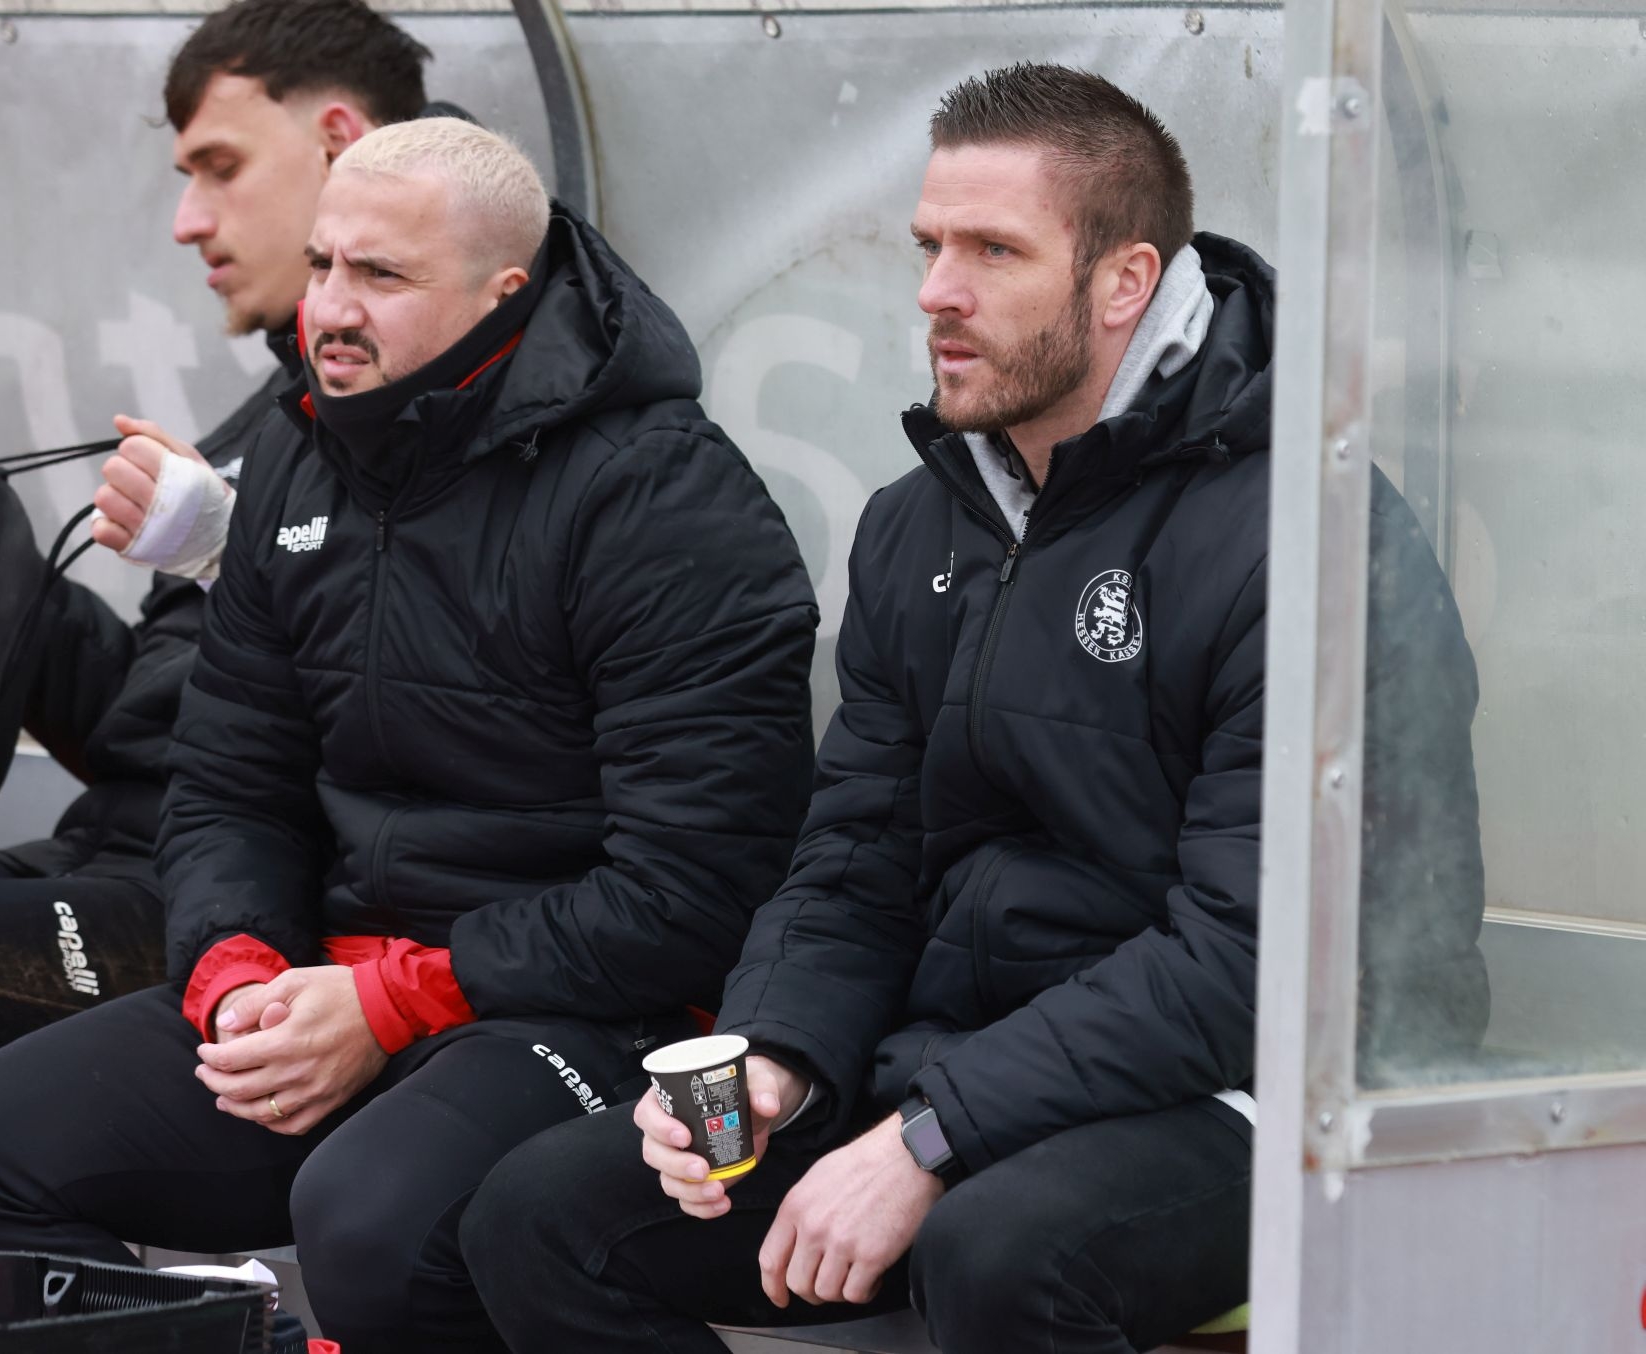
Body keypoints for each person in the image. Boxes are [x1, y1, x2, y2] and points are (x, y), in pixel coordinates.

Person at [461, 64, 1485, 1354]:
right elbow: (855, 857)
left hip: (1266, 1086)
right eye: (930, 246)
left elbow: (1253, 959)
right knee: (539, 1215)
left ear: (1125, 281)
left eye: (993, 250)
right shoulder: (918, 523)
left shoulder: (1310, 533)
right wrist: (778, 1054)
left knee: (998, 1255)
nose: (937, 291)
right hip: (969, 1067)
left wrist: (932, 1136)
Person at [0, 118, 819, 1353]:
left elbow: (698, 891)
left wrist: (392, 1000)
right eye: (323, 263)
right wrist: (236, 973)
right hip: (326, 983)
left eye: (381, 274)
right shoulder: (297, 451)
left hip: (589, 1011)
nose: (328, 307)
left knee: (375, 1222)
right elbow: (228, 784)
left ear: (505, 294)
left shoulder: (659, 492)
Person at [0, 0, 432, 1281]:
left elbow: (440, 703)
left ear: (338, 140)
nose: (188, 222)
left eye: (219, 168)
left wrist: (230, 550)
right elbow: (142, 727)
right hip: (103, 858)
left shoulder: (430, 409)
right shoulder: (282, 409)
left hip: (211, 913)